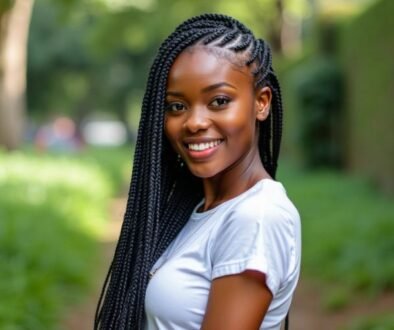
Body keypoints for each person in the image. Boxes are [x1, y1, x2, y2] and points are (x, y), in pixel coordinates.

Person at [95, 14, 301, 330]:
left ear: (261, 102)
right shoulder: (194, 209)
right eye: (177, 106)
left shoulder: (256, 216)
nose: (194, 122)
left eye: (218, 101)